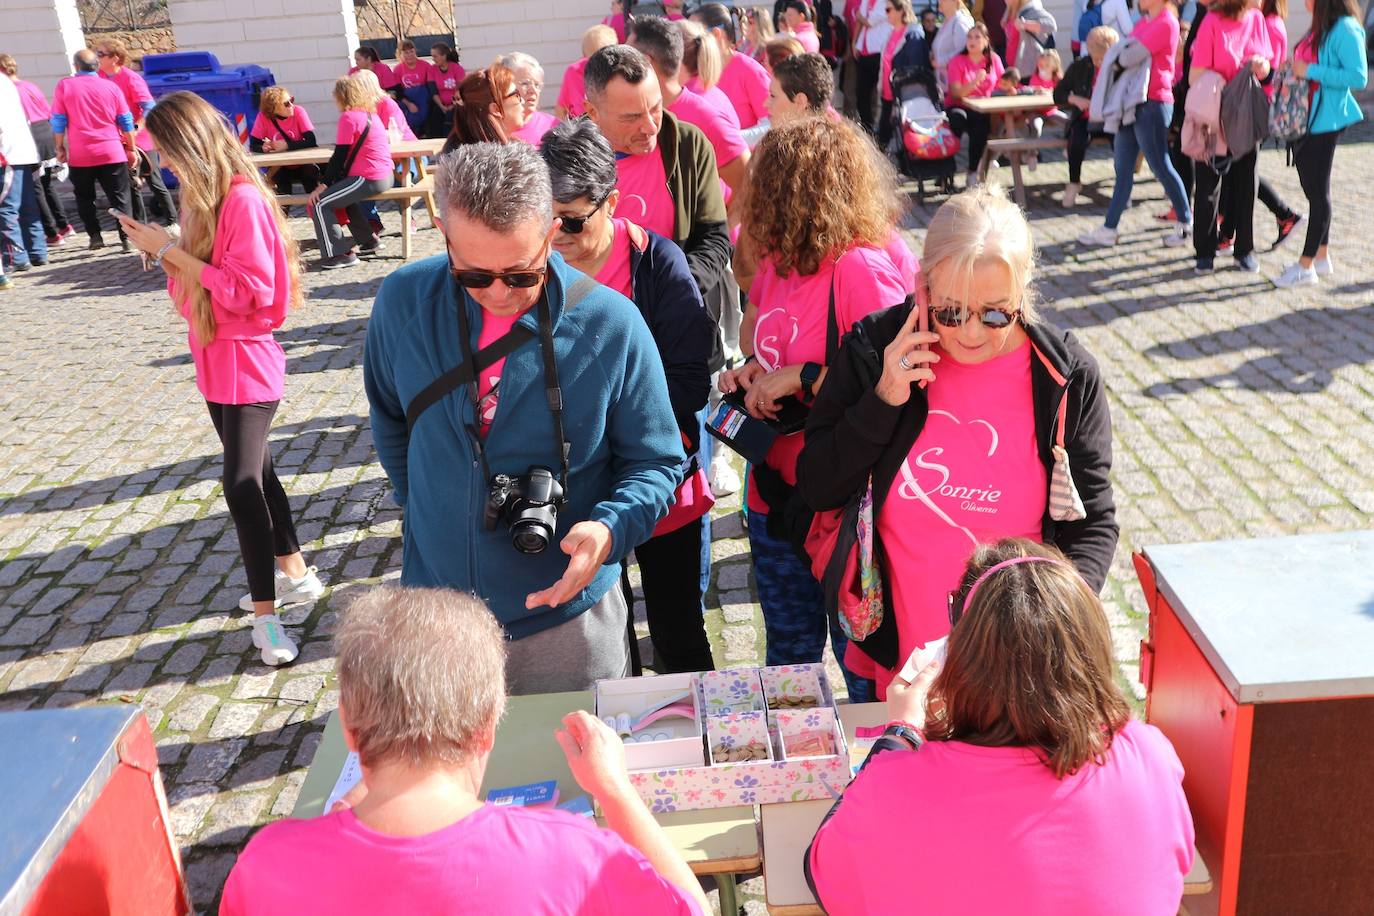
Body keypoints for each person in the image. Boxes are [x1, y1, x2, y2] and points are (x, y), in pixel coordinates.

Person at [363, 142, 685, 694]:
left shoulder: (613, 324)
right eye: (473, 276)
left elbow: (657, 462)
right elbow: (392, 421)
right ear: (443, 233)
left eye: (520, 275)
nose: (497, 294)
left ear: (552, 230)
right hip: (438, 617)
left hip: (567, 620)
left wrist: (608, 529)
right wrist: (429, 513)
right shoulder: (401, 302)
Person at [797, 186, 1118, 695]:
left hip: (1018, 673)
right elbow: (818, 486)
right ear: (922, 287)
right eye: (950, 312)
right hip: (898, 668)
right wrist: (884, 397)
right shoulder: (875, 348)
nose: (970, 332)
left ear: (1023, 292)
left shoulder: (1063, 378)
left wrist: (1057, 625)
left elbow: (1094, 522)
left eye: (995, 313)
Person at [219, 586, 710, 914]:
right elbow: (689, 907)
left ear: (347, 726)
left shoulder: (268, 861)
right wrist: (617, 793)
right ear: (486, 726)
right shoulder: (571, 852)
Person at [805, 539, 1194, 916]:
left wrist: (901, 732)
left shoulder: (896, 786)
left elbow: (823, 871)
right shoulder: (1150, 756)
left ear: (963, 656)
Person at [113, 92, 322, 667]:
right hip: (214, 359)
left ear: (191, 144)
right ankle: (296, 574)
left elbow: (251, 294)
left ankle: (266, 620)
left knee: (241, 484)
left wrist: (170, 253)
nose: (165, 166)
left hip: (247, 361)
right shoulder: (201, 201)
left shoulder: (242, 200)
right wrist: (166, 252)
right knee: (262, 472)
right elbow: (199, 294)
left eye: (168, 154)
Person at [718, 116, 911, 701]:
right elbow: (765, 339)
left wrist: (800, 377)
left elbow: (896, 388)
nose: (750, 206)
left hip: (842, 506)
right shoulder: (782, 263)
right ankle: (796, 784)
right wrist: (749, 371)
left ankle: (869, 786)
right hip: (775, 496)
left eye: (763, 189)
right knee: (788, 663)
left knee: (859, 668)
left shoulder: (859, 271)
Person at [541, 119, 717, 673]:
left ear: (612, 201)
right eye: (544, 218)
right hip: (576, 488)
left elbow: (691, 382)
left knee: (678, 630)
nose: (557, 233)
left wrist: (610, 420)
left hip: (658, 482)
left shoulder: (658, 264)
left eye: (571, 218)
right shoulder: (529, 273)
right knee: (602, 633)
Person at [583, 45, 732, 303]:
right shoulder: (565, 160)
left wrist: (674, 291)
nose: (650, 127)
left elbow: (714, 239)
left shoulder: (689, 145)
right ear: (593, 112)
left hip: (677, 314)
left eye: (655, 108)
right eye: (631, 118)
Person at [1076, 0, 1193, 249]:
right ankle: (1109, 229)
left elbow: (1127, 55)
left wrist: (1119, 53)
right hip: (1131, 102)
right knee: (1123, 168)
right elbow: (1123, 50)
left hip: (1152, 103)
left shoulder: (1166, 23)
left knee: (1160, 165)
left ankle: (1186, 222)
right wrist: (1121, 52)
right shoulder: (1145, 21)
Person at [1274, 0, 1366, 287]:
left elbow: (1358, 76)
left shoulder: (1346, 29)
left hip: (1326, 120)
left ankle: (1305, 266)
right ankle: (1322, 257)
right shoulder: (1323, 27)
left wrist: (1310, 71)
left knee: (1317, 195)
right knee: (1314, 189)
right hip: (1309, 119)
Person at [629, 16, 751, 211]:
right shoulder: (637, 115)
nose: (620, 64)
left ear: (647, 62)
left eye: (628, 57)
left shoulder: (703, 116)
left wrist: (721, 233)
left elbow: (749, 185)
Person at [1187, 0, 1272, 273]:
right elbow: (1194, 75)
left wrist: (1261, 66)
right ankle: (1204, 251)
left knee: (1247, 183)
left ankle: (1244, 250)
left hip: (1246, 113)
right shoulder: (1211, 21)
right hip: (1214, 114)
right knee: (1209, 184)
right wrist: (1226, 81)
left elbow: (1267, 68)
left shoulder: (1257, 20)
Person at [51, 49, 136, 252]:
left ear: (76, 66)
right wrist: (131, 148)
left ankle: (95, 236)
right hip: (111, 150)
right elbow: (125, 120)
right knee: (120, 197)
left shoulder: (65, 86)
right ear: (97, 66)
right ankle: (126, 238)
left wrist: (59, 146)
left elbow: (58, 120)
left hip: (81, 154)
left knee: (84, 197)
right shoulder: (111, 87)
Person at [306, 76, 392, 270]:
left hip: (368, 177)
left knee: (320, 204)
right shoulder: (370, 114)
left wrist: (323, 185)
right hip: (384, 175)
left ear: (342, 97)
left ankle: (340, 254)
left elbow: (339, 157)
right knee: (343, 197)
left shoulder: (349, 117)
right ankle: (369, 241)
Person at [1239, 0, 1305, 251]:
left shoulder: (1271, 24)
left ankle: (1286, 214)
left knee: (1244, 170)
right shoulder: (1262, 21)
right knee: (1242, 170)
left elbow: (1271, 71)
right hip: (1253, 103)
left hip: (1260, 106)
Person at [96, 38, 176, 226]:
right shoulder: (98, 77)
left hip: (140, 139)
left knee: (153, 181)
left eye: (101, 54)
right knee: (131, 184)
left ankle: (172, 221)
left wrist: (136, 127)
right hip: (117, 139)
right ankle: (140, 225)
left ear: (115, 58)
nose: (97, 58)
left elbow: (149, 107)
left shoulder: (131, 78)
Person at [1, 55, 74, 245]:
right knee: (47, 184)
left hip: (31, 133)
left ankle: (51, 233)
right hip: (45, 130)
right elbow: (46, 109)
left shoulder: (10, 91)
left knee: (36, 188)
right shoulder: (29, 85)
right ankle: (64, 225)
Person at [1055, 25, 1119, 206]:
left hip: (1111, 118)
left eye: (1103, 58)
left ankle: (1122, 187)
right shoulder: (1080, 66)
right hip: (1085, 118)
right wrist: (1075, 99)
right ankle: (1074, 183)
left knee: (1122, 144)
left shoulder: (1118, 67)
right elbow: (1058, 93)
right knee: (1076, 141)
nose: (1099, 62)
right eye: (1096, 57)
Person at [695, 3, 774, 128]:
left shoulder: (751, 71)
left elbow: (771, 124)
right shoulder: (693, 71)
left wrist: (731, 139)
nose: (688, 42)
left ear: (716, 34)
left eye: (694, 36)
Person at [945, 23, 1003, 188]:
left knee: (983, 127)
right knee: (957, 120)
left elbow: (1002, 83)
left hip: (983, 109)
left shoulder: (994, 60)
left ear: (986, 41)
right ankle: (947, 169)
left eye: (977, 37)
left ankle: (973, 171)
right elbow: (956, 93)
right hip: (959, 106)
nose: (972, 40)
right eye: (970, 37)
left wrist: (1011, 87)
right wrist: (975, 82)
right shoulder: (957, 61)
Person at [0, 68, 45, 271]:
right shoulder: (5, 81)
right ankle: (37, 251)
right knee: (27, 205)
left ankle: (16, 256)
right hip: (20, 150)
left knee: (7, 207)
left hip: (7, 153)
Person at [248, 86, 320, 198]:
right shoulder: (263, 117)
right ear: (273, 108)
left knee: (310, 178)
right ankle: (283, 215)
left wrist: (287, 145)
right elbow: (253, 145)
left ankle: (316, 211)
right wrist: (263, 147)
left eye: (291, 100)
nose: (291, 105)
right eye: (286, 103)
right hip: (280, 165)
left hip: (303, 162)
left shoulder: (299, 111)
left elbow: (311, 141)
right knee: (282, 188)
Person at [877, 0, 926, 150]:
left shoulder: (913, 34)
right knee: (884, 137)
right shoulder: (892, 32)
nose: (886, 13)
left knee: (900, 138)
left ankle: (906, 169)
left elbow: (914, 68)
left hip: (903, 96)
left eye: (888, 10)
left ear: (901, 11)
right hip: (887, 94)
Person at [442, 64, 525, 152]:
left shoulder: (455, 156)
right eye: (516, 95)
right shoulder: (507, 161)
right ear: (495, 109)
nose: (522, 101)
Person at [556, 25, 617, 119]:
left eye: (604, 61)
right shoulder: (574, 72)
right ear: (584, 55)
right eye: (592, 60)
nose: (598, 66)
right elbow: (561, 109)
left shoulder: (619, 73)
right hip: (582, 128)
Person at [849, 0, 892, 131]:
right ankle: (867, 127)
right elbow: (860, 21)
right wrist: (855, 42)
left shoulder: (887, 3)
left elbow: (868, 21)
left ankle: (885, 128)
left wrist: (858, 15)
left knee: (884, 93)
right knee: (861, 92)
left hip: (880, 51)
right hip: (864, 52)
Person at [500, 52, 558, 146]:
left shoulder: (554, 126)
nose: (533, 91)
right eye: (525, 84)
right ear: (505, 86)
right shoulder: (493, 127)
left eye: (537, 85)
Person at [931, 0, 975, 94]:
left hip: (956, 86)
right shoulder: (948, 21)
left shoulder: (960, 22)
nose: (939, 1)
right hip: (943, 84)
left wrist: (940, 61)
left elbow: (965, 50)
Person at [392, 39, 434, 137]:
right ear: (400, 54)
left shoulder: (425, 65)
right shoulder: (398, 69)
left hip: (423, 98)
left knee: (420, 92)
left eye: (411, 51)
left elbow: (430, 86)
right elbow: (398, 91)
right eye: (406, 52)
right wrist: (409, 104)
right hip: (407, 99)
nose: (409, 55)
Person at [426, 42, 465, 138]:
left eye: (435, 56)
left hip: (456, 102)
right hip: (440, 103)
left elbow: (460, 90)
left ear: (444, 56)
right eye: (432, 56)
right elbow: (433, 91)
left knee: (450, 116)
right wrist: (441, 106)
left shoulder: (456, 68)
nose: (433, 59)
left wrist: (452, 105)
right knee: (435, 115)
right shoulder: (432, 69)